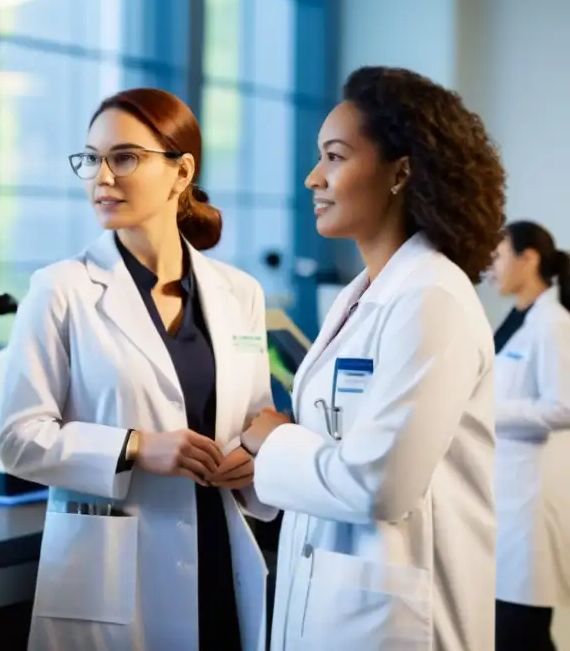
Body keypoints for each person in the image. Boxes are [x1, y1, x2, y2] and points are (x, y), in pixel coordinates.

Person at [0, 88, 278, 651]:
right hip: (111, 576)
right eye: (91, 158)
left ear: (182, 172)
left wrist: (255, 456)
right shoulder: (61, 290)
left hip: (218, 559)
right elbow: (19, 440)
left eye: (124, 157)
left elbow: (255, 418)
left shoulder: (239, 292)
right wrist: (134, 447)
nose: (102, 176)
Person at [241, 66, 506, 651]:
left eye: (335, 157)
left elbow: (378, 486)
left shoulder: (431, 298)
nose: (313, 178)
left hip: (397, 621)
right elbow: (336, 450)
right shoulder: (365, 295)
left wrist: (274, 442)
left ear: (400, 172)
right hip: (337, 602)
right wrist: (252, 470)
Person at [489, 221, 570, 651]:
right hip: (507, 491)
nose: (492, 266)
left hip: (530, 500)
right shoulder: (517, 320)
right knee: (511, 626)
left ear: (529, 258)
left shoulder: (552, 323)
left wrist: (487, 413)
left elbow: (564, 406)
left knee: (521, 627)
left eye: (499, 256)